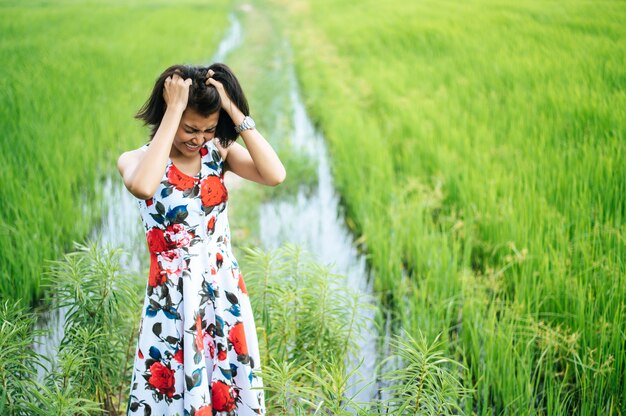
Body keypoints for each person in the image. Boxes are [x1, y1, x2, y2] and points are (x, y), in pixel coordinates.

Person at [117, 63, 285, 415]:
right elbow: (145, 187)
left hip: (222, 291)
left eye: (208, 129)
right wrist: (174, 107)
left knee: (229, 388)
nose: (198, 139)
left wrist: (234, 109)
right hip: (174, 301)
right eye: (190, 129)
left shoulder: (216, 154)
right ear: (169, 115)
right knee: (176, 391)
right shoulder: (135, 161)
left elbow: (275, 174)